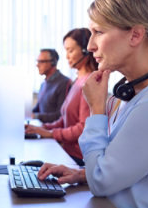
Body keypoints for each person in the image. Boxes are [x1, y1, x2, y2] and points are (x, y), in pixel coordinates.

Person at [38, 0, 148, 208]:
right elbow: (123, 166)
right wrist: (81, 174)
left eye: (98, 32)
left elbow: (101, 182)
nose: (90, 46)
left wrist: (96, 110)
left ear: (135, 35)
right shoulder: (138, 91)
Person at [25, 28, 98, 166]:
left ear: (86, 50)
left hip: (77, 158)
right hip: (66, 151)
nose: (67, 56)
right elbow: (64, 120)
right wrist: (42, 128)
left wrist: (52, 134)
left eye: (70, 50)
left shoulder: (90, 83)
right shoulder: (77, 81)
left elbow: (83, 128)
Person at [32, 49, 71, 123]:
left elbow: (61, 115)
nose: (37, 65)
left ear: (53, 62)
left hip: (53, 131)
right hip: (41, 128)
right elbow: (37, 108)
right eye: (37, 61)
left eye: (41, 61)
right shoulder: (43, 84)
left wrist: (36, 116)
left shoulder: (64, 83)